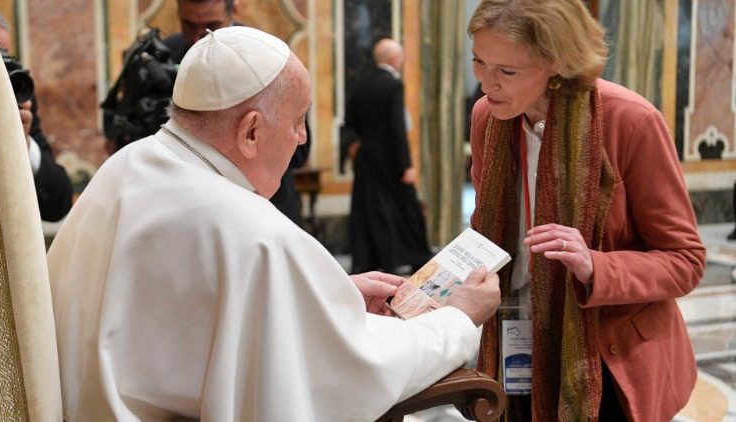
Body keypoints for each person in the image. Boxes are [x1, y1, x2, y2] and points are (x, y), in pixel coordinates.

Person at [47, 26, 502, 421]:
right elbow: (354, 369)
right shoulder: (251, 230)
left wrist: (327, 293)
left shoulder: (127, 165)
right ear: (250, 131)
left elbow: (178, 317)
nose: (302, 138)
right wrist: (458, 320)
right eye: (298, 121)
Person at [467, 1, 706, 421]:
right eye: (478, 62)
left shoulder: (631, 120)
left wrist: (595, 266)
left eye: (507, 71)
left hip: (606, 361)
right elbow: (485, 233)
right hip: (512, 342)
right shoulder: (488, 117)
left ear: (557, 63)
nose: (487, 84)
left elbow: (685, 261)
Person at [163, 0, 309, 225]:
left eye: (211, 25)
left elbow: (301, 149)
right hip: (191, 209)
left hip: (266, 209)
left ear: (234, 10)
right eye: (188, 25)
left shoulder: (266, 56)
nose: (198, 37)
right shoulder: (164, 54)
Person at [346, 38, 432, 274]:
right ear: (395, 59)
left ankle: (370, 260)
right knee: (407, 209)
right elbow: (397, 128)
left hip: (366, 158)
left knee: (369, 210)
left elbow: (350, 120)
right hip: (391, 160)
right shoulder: (393, 84)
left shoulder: (361, 83)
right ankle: (417, 256)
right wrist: (406, 166)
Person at [0, 2, 72, 222]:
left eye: (6, 57)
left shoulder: (19, 99)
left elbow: (58, 204)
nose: (1, 71)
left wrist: (24, 145)